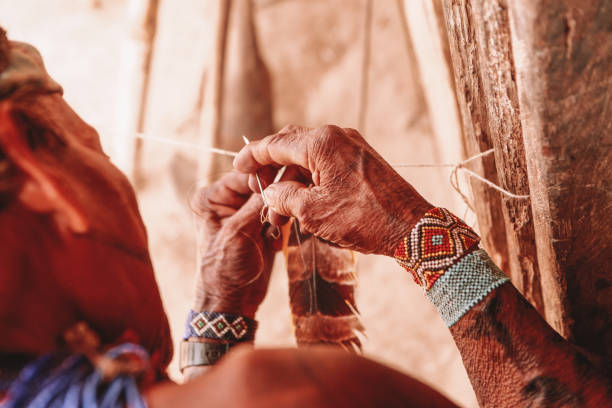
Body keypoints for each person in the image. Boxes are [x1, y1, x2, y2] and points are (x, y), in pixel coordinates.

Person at [0, 30, 609, 407]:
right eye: (95, 148)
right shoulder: (294, 397)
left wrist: (219, 311)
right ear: (42, 177)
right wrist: (424, 240)